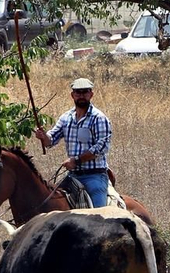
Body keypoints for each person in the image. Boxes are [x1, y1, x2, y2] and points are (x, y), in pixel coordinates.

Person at [35, 77, 113, 208]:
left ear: (91, 94)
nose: (81, 95)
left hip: (94, 176)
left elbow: (102, 147)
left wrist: (76, 161)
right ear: (72, 95)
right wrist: (43, 137)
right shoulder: (66, 118)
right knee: (49, 202)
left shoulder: (99, 118)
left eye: (85, 92)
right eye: (78, 92)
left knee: (99, 217)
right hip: (72, 176)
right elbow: (51, 139)